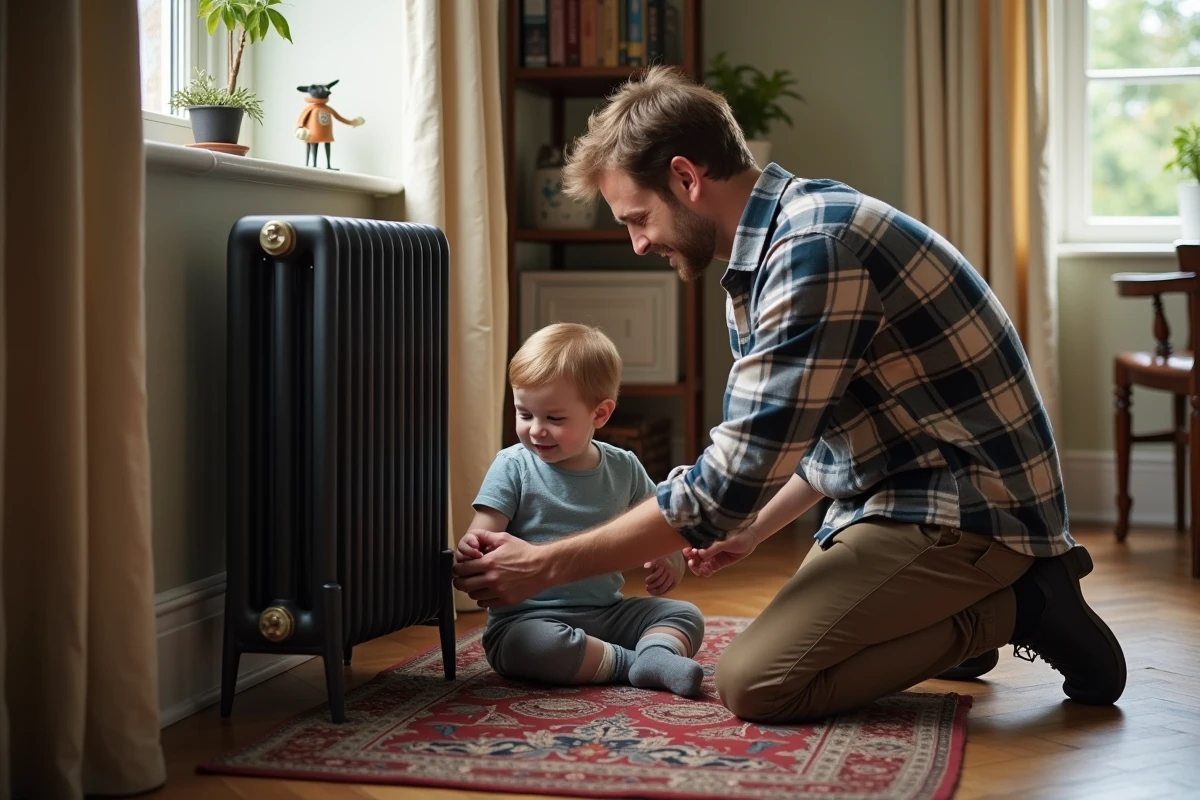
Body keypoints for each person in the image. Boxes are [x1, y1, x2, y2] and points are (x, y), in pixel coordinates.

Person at [454, 66, 1126, 723]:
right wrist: (751, 534)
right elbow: (810, 439)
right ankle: (965, 623)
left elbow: (720, 490)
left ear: (687, 178)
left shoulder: (811, 250)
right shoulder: (767, 251)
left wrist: (544, 566)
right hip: (900, 496)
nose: (636, 243)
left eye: (638, 217)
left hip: (967, 511)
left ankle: (1025, 603)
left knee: (758, 684)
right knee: (819, 643)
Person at [457, 322, 706, 697]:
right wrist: (471, 549)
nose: (536, 430)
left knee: (684, 614)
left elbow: (663, 525)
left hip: (608, 612)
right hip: (528, 620)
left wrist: (670, 557)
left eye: (554, 419)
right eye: (524, 414)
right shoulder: (513, 466)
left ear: (600, 414)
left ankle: (650, 652)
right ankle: (637, 662)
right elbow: (483, 536)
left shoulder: (624, 467)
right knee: (536, 646)